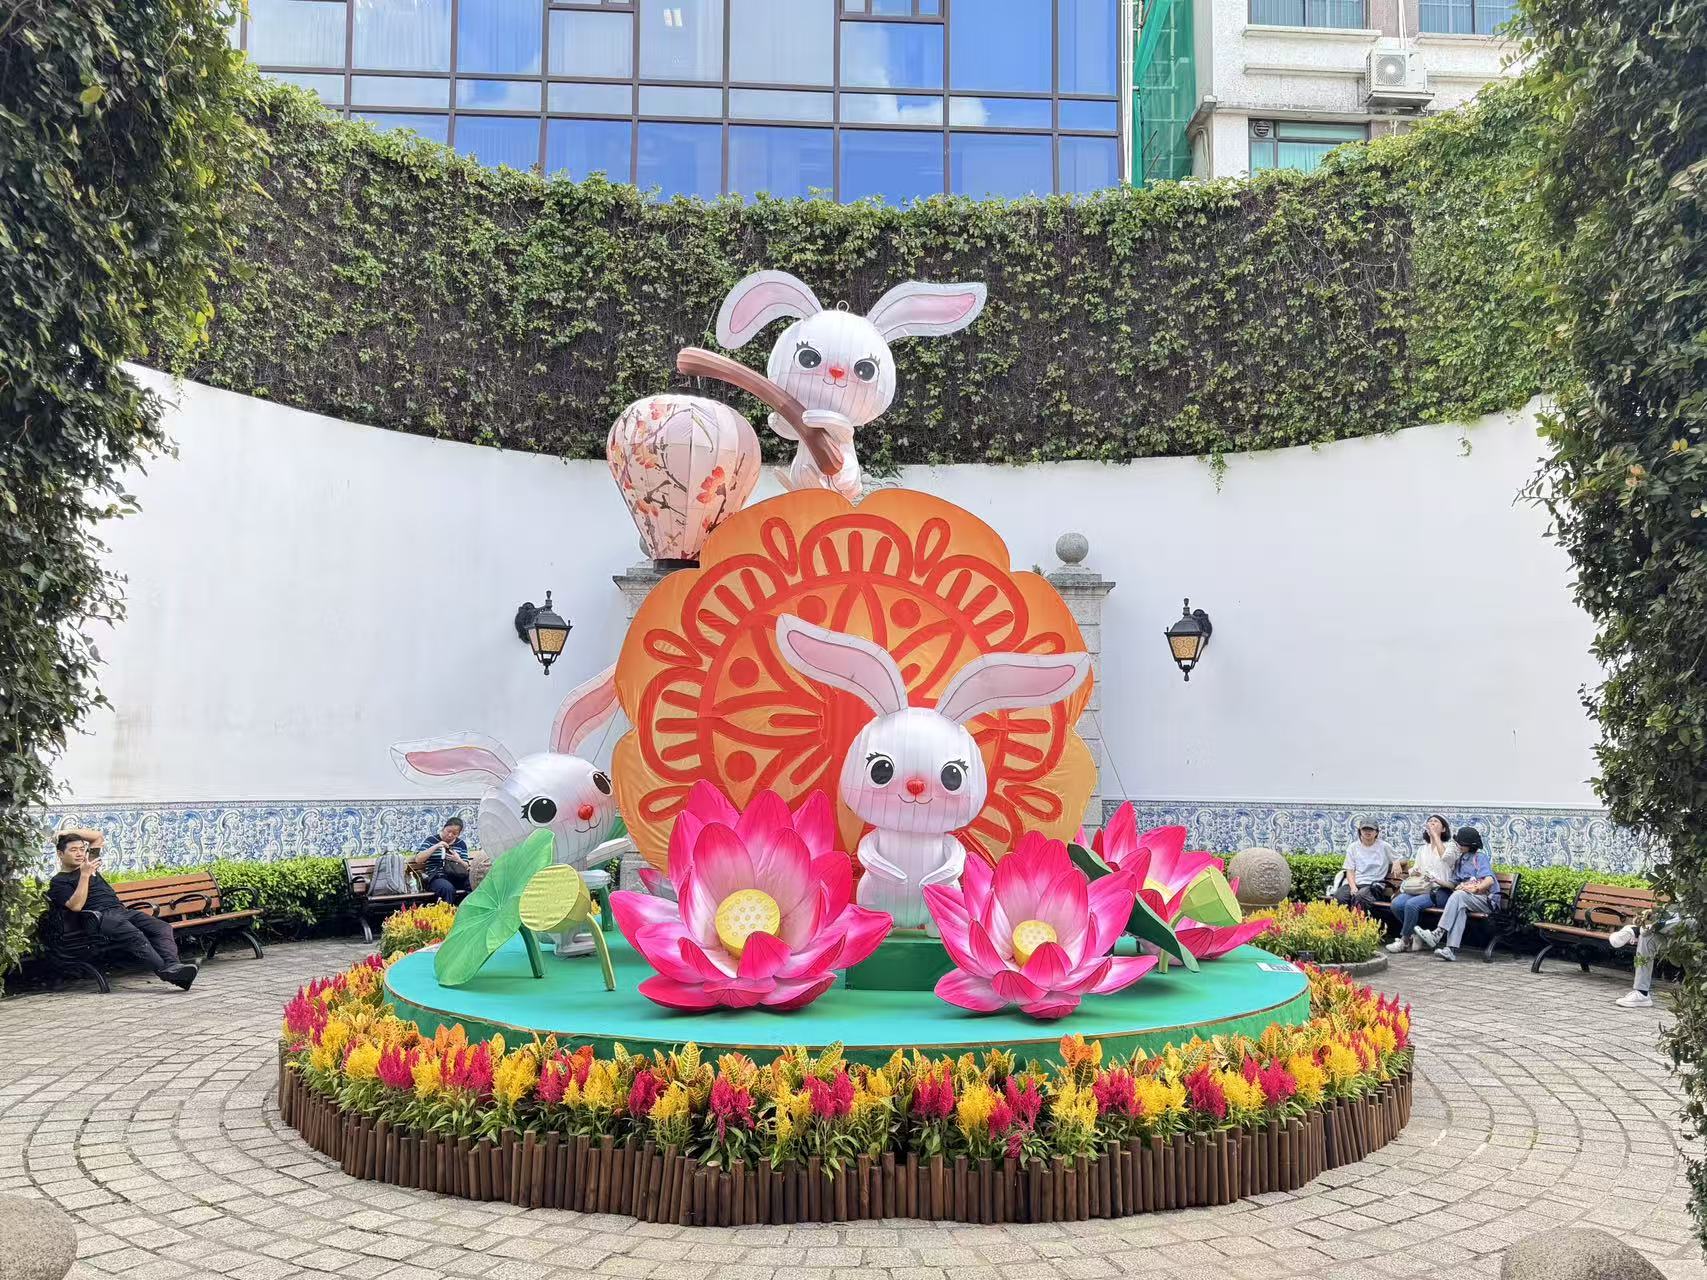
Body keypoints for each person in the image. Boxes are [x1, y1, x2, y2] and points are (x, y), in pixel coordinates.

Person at [46, 830, 197, 989]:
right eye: (73, 850)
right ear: (60, 854)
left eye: (81, 849)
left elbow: (97, 837)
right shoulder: (59, 881)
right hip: (98, 918)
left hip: (120, 911)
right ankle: (166, 971)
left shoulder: (88, 863)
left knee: (161, 928)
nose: (79, 853)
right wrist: (84, 876)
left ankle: (173, 968)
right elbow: (76, 906)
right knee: (135, 935)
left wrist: (66, 831)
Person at [1414, 826, 1499, 962]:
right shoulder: (1460, 861)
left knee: (1459, 895)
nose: (1458, 845)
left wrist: (1475, 889)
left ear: (1469, 845)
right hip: (1468, 900)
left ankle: (1438, 933)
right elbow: (1453, 884)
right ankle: (1450, 950)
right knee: (1460, 907)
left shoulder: (1479, 858)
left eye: (1461, 843)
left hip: (1487, 901)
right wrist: (1437, 881)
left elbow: (1489, 880)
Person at [1385, 814, 1458, 953]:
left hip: (1440, 891)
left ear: (1443, 829)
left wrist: (1435, 836)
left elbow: (1447, 859)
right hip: (1421, 888)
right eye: (1430, 821)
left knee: (1411, 905)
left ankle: (1404, 941)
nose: (1432, 823)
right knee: (1397, 904)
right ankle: (1416, 935)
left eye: (1436, 822)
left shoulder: (1450, 846)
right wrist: (1414, 871)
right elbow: (1415, 868)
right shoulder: (1422, 849)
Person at [1609, 911, 1685, 1010]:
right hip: (1677, 937)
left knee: (1690, 921)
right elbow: (1679, 913)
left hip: (1696, 937)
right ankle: (1642, 993)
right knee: (1646, 938)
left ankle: (1637, 930)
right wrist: (1653, 915)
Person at [1334, 818, 1396, 912]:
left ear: (1376, 832)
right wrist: (1353, 887)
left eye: (1371, 829)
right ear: (1360, 831)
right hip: (1356, 883)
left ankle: (1359, 920)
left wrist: (1396, 862)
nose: (1367, 832)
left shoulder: (1384, 846)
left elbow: (1401, 859)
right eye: (1364, 829)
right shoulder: (1353, 847)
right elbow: (1350, 870)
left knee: (1361, 896)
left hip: (1374, 885)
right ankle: (1344, 920)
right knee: (1339, 896)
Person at [410, 818, 471, 903]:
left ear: (459, 834)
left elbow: (466, 866)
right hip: (437, 877)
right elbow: (418, 859)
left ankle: (469, 908)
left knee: (473, 884)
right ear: (444, 828)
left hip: (457, 876)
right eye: (448, 831)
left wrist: (458, 860)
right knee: (447, 888)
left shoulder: (461, 844)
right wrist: (436, 846)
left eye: (454, 834)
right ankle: (448, 910)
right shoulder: (431, 840)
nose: (450, 835)